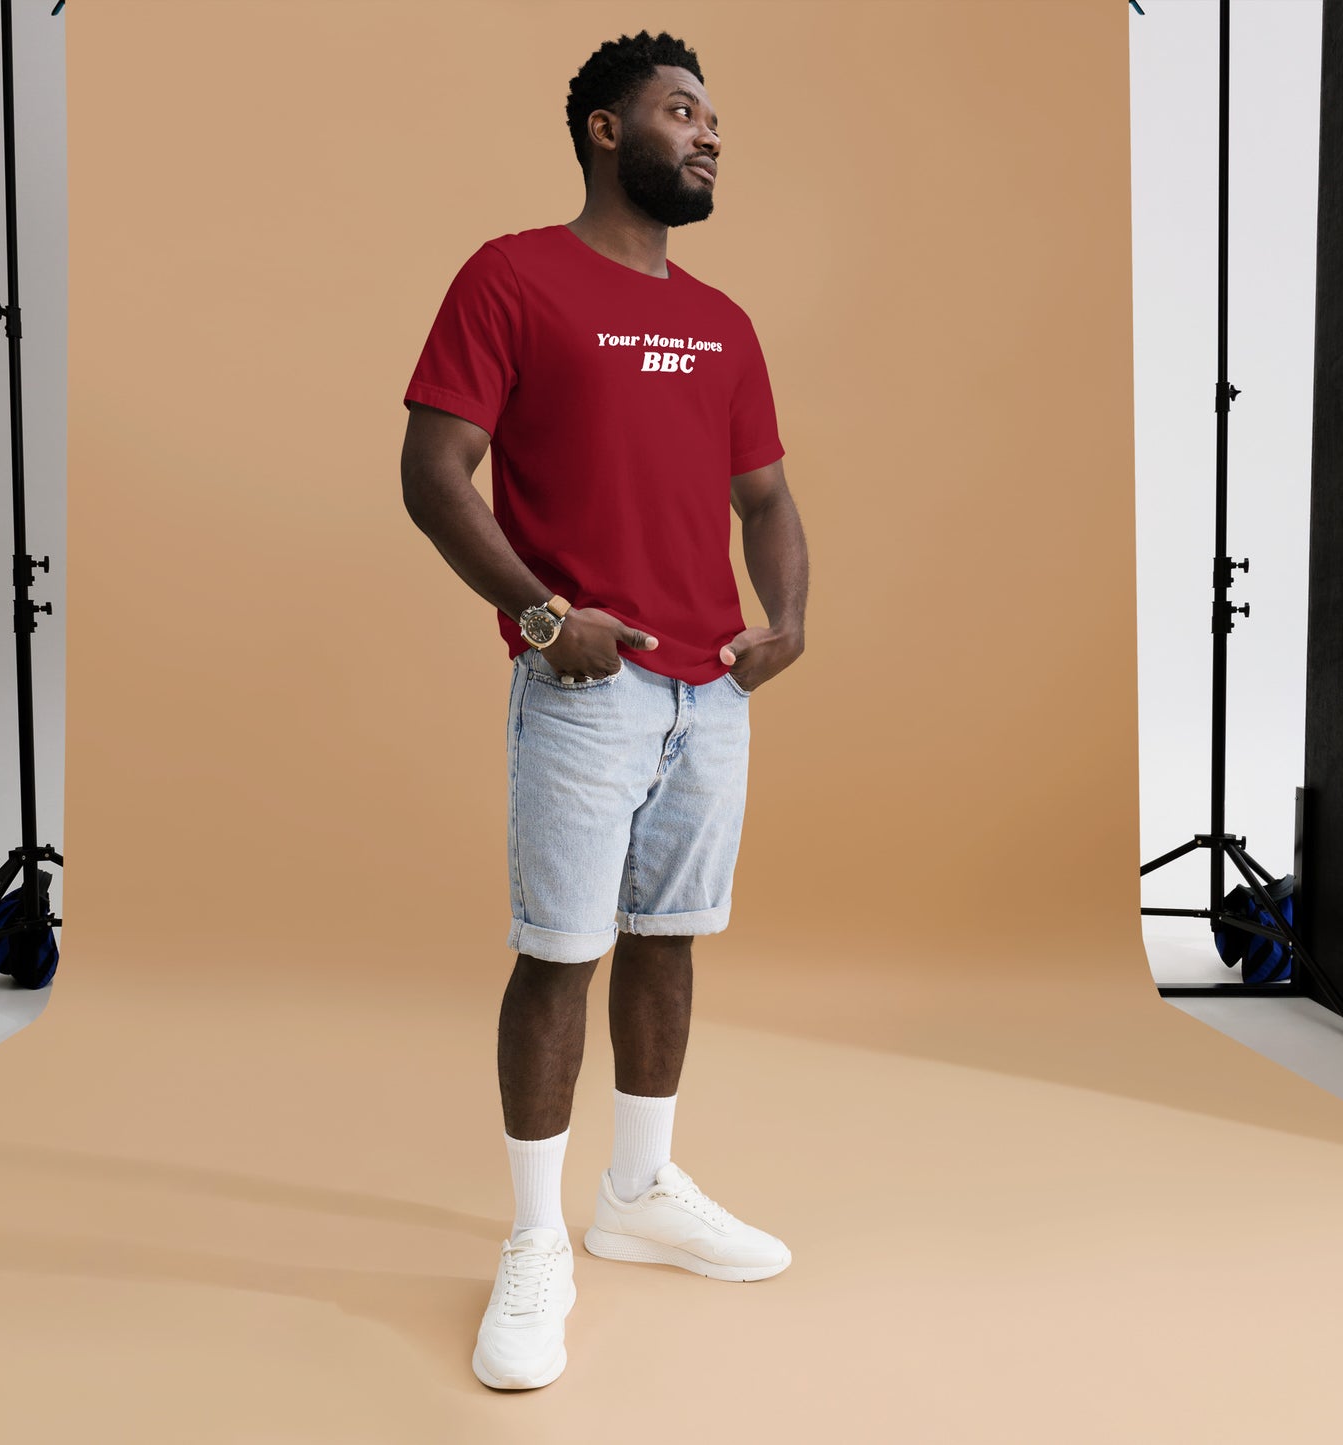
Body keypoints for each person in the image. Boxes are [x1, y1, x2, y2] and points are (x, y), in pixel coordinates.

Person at [400, 28, 809, 1391]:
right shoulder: (511, 277)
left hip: (709, 691)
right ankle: (534, 1242)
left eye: (712, 120)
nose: (705, 135)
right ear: (600, 130)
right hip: (585, 682)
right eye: (679, 112)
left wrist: (785, 621)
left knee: (670, 939)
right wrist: (536, 616)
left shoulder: (725, 323)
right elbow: (434, 468)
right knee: (559, 952)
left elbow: (764, 496)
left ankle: (636, 1194)